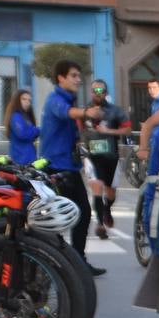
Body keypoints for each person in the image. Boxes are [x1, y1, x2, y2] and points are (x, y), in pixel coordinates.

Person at [39, 60, 102, 272]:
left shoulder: (69, 99)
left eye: (78, 75)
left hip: (69, 167)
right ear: (61, 78)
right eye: (73, 75)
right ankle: (59, 263)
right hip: (56, 168)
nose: (78, 79)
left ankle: (76, 262)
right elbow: (66, 112)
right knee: (60, 218)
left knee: (81, 213)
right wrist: (86, 113)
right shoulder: (55, 99)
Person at [83, 79, 132, 240]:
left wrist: (108, 131)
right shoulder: (84, 111)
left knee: (111, 193)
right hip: (92, 157)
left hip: (111, 156)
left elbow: (128, 129)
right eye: (94, 90)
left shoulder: (115, 111)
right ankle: (100, 225)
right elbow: (78, 130)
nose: (98, 93)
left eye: (101, 90)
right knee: (96, 186)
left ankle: (107, 209)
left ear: (106, 92)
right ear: (91, 92)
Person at [7, 90, 39, 165]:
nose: (27, 102)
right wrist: (38, 130)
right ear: (17, 100)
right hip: (20, 159)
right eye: (24, 99)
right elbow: (22, 134)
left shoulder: (26, 116)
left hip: (29, 157)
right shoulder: (16, 116)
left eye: (29, 100)